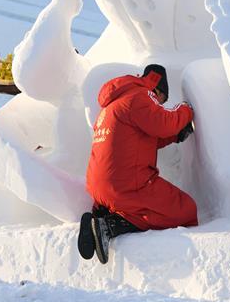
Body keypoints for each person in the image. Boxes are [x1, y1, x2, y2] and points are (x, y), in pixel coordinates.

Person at [79, 63, 196, 264]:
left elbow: (142, 139)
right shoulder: (142, 95)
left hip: (99, 187)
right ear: (157, 88)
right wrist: (186, 110)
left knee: (148, 206)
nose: (159, 104)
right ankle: (110, 225)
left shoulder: (111, 106)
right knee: (186, 210)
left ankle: (104, 214)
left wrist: (175, 136)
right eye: (162, 100)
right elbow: (164, 123)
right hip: (126, 185)